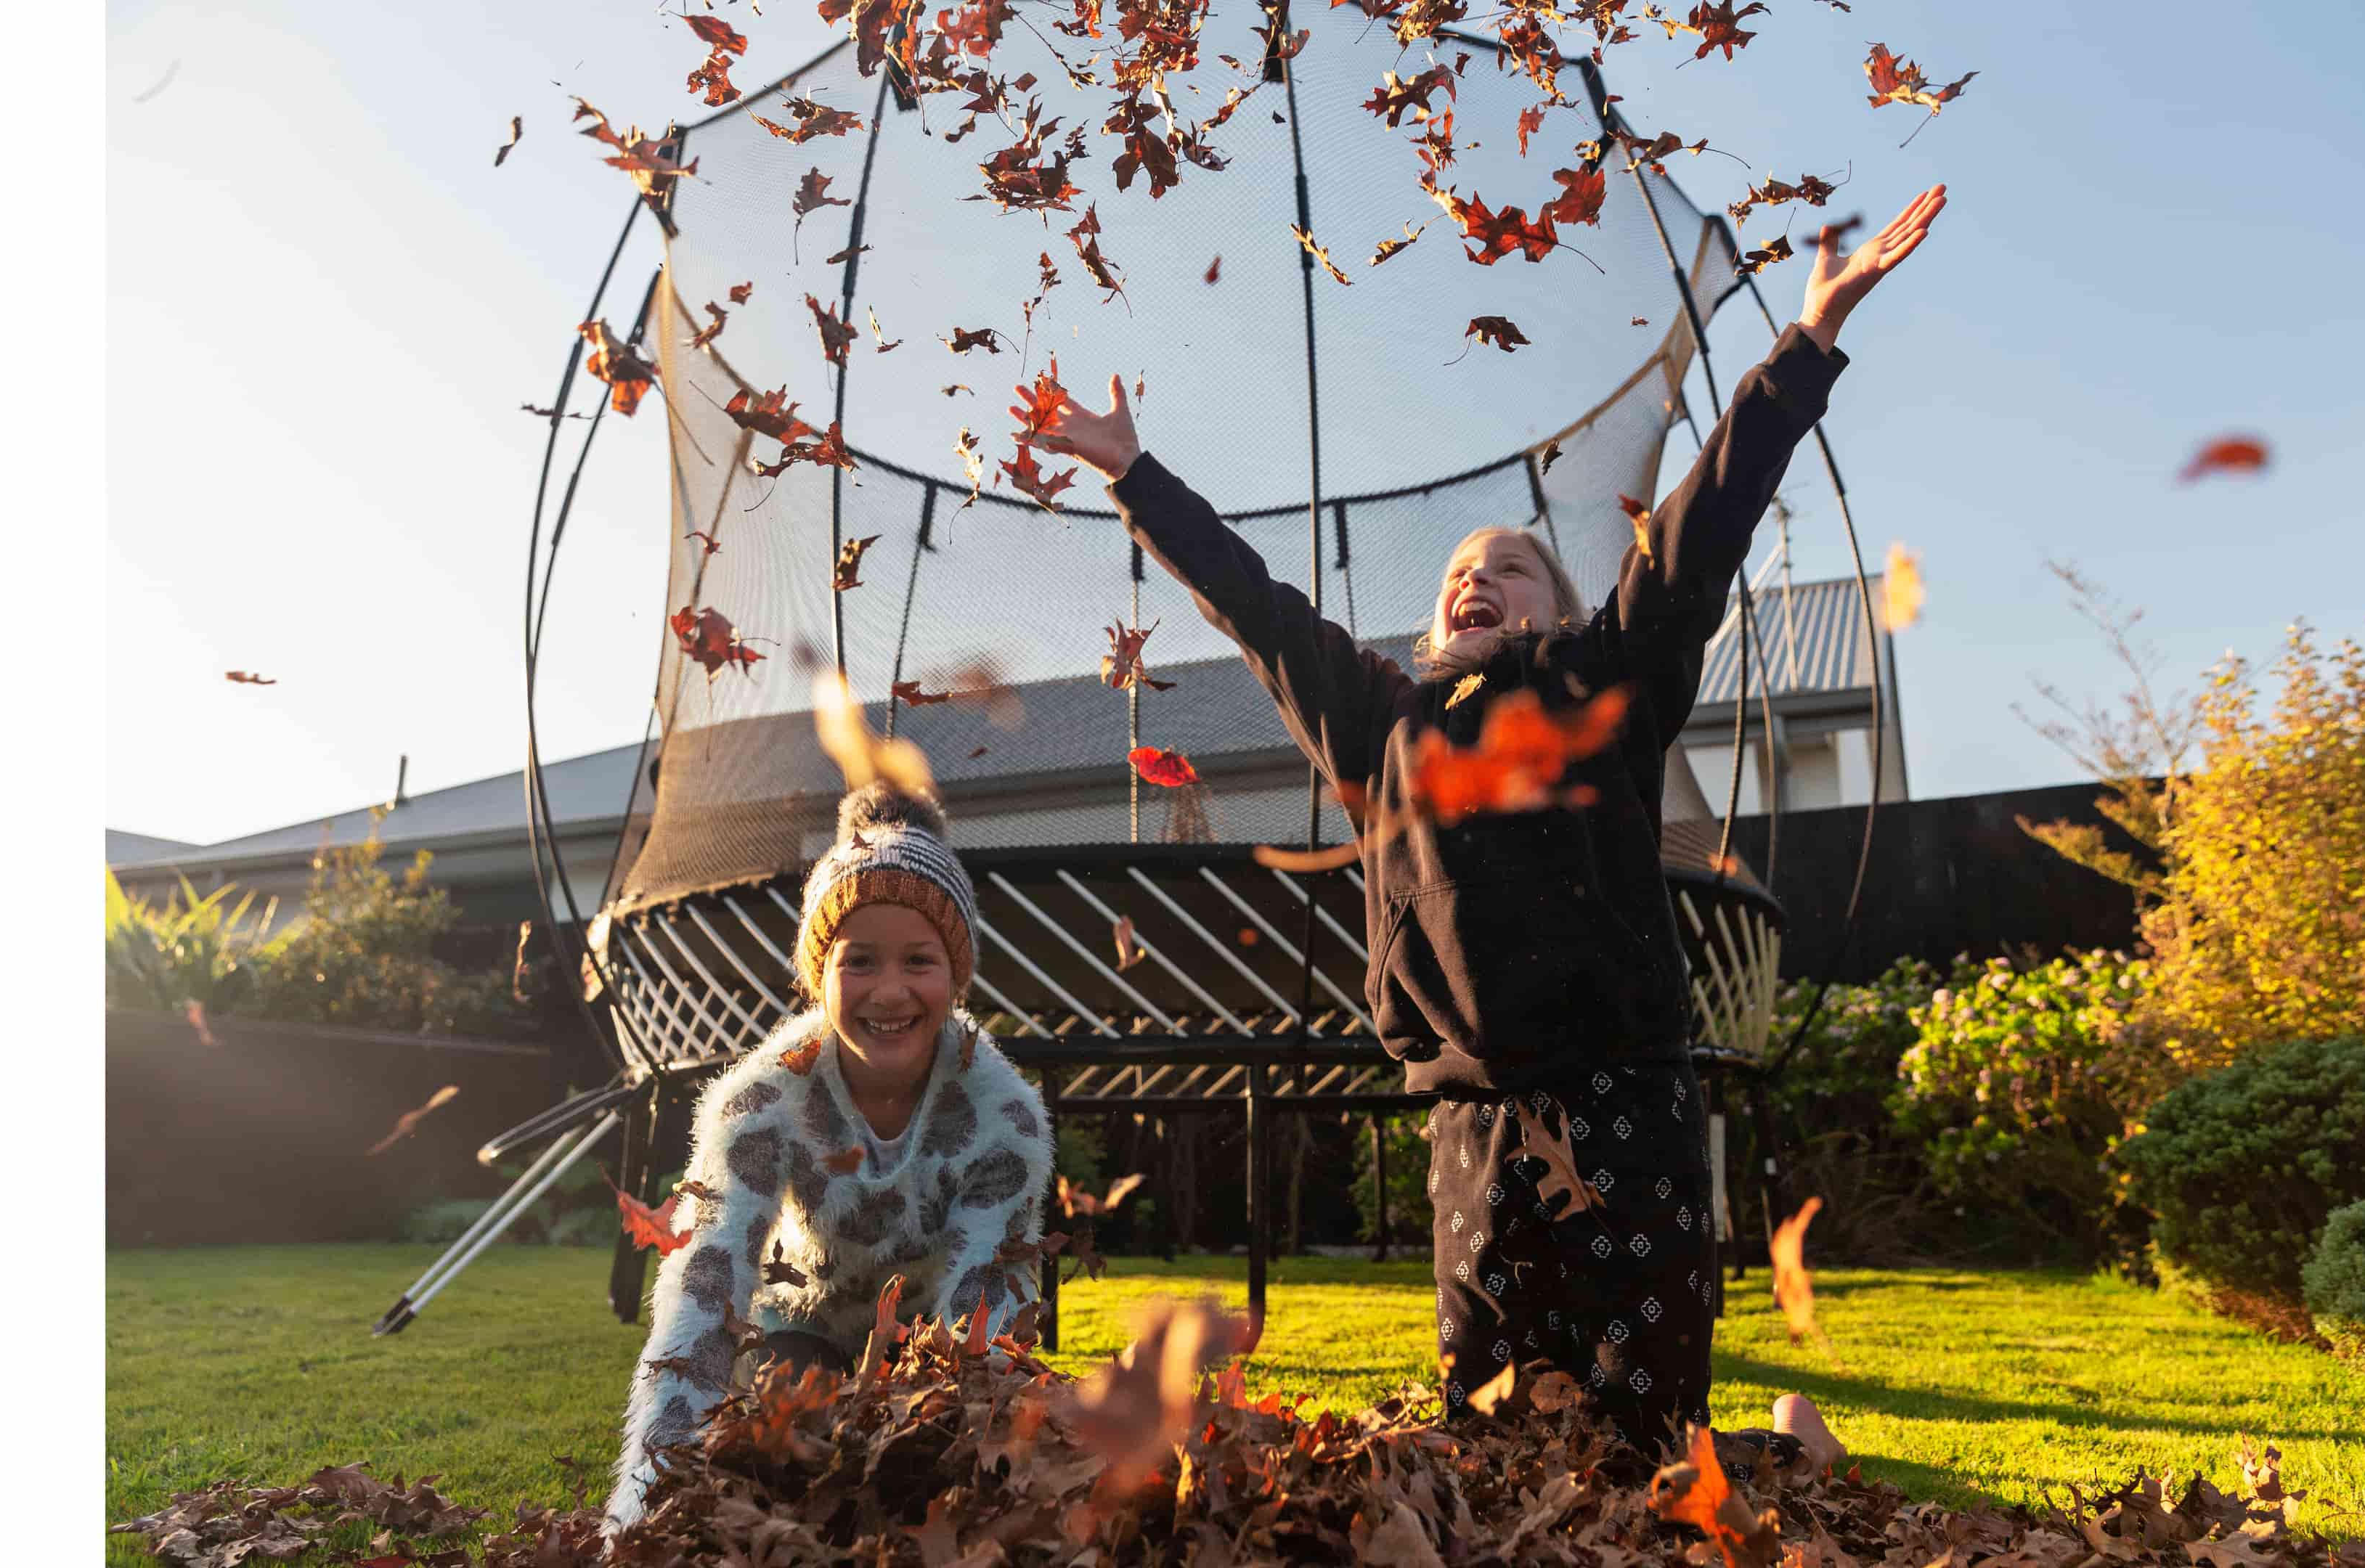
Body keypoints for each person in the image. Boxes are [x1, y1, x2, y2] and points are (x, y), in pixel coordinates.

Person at [1033, 188, 1947, 1465]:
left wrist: (1802, 353)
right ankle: (1781, 1444)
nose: (1478, 575)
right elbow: (1259, 610)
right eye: (1463, 569)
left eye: (1510, 566)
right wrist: (1136, 474)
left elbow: (1697, 539)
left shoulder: (1599, 685)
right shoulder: (1383, 722)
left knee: (1641, 1441)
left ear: (1556, 609)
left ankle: (1788, 1448)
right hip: (1473, 1114)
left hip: (1623, 1096)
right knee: (1494, 1439)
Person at [604, 783, 1056, 1532]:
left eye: (919, 960)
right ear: (819, 977)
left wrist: (972, 1463)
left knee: (916, 1488)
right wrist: (644, 1508)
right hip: (800, 1327)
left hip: (926, 1342)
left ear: (957, 974)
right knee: (793, 1460)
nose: (890, 991)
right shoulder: (761, 1102)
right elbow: (705, 1287)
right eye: (859, 962)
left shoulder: (1003, 1116)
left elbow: (988, 1303)